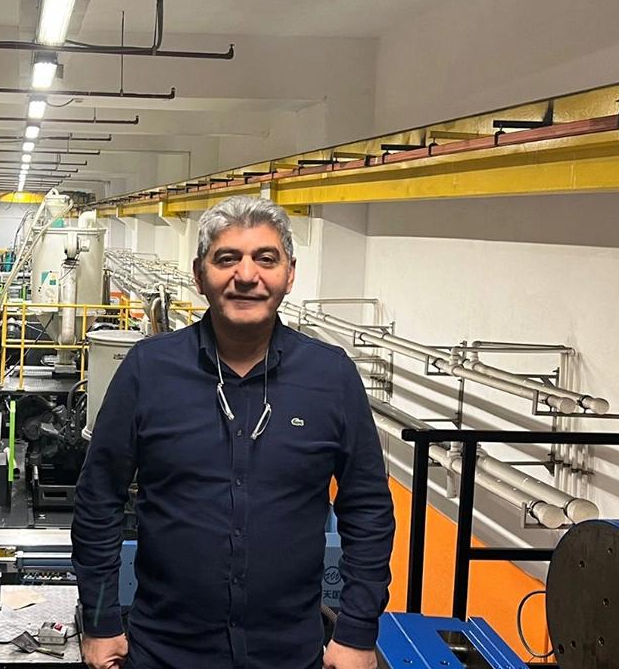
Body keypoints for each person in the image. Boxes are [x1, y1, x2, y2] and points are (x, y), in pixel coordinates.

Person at [72, 196, 395, 669]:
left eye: (266, 258)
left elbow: (367, 508)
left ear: (289, 274)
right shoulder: (148, 370)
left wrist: (358, 631)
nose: (246, 275)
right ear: (200, 274)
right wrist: (100, 622)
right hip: (165, 652)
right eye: (227, 259)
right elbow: (98, 500)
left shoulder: (331, 377)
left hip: (290, 655)